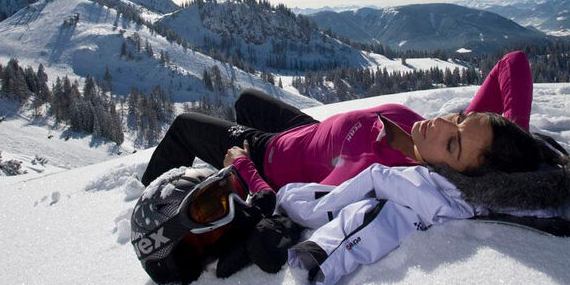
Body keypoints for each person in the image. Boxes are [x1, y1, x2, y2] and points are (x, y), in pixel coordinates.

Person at [141, 51, 540, 194]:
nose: (439, 123)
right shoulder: (429, 133)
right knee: (245, 99)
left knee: (183, 127)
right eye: (460, 118)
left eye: (452, 143)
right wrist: (514, 136)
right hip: (308, 130)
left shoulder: (373, 173)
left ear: (450, 171)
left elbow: (289, 213)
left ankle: (147, 199)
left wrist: (243, 168)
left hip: (268, 158)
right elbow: (513, 63)